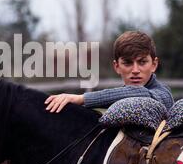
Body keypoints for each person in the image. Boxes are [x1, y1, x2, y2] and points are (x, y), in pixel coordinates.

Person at [44, 31, 173, 113]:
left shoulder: (162, 94)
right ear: (116, 66)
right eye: (127, 63)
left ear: (154, 64)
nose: (135, 70)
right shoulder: (120, 95)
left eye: (142, 62)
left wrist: (80, 98)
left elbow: (139, 93)